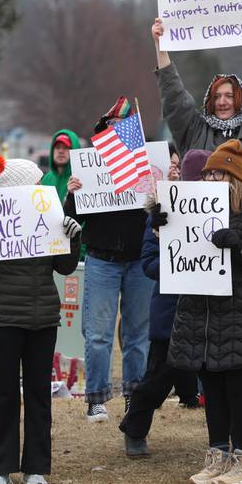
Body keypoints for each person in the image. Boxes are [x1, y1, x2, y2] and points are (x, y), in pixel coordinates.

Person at [0, 156, 82, 484]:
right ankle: (0, 467)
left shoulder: (49, 216)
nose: (40, 189)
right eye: (35, 184)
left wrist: (73, 235)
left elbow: (66, 267)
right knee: (6, 393)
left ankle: (36, 468)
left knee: (39, 394)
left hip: (41, 318)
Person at [165, 140, 242, 484]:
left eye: (218, 173)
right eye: (207, 173)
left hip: (239, 313)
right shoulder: (191, 209)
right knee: (211, 389)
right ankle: (217, 454)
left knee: (237, 389)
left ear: (234, 177)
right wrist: (159, 221)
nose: (210, 178)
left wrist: (237, 246)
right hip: (200, 313)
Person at [64, 98, 153, 422]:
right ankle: (97, 398)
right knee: (98, 333)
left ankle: (135, 397)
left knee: (137, 335)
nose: (118, 132)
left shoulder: (146, 166)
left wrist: (159, 189)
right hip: (101, 257)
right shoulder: (90, 166)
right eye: (112, 126)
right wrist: (72, 195)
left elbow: (159, 216)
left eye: (124, 127)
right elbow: (71, 220)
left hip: (138, 261)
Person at [118, 149, 208, 458]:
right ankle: (135, 429)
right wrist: (162, 239)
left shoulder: (221, 209)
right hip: (171, 310)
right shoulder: (160, 214)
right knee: (158, 377)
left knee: (227, 378)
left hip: (212, 311)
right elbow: (149, 265)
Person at [152, 13, 242, 203]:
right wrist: (160, 46)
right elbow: (174, 97)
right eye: (216, 96)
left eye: (230, 96)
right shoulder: (195, 132)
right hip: (206, 225)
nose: (222, 102)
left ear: (240, 99)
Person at [41, 129, 80, 203]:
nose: (61, 151)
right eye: (57, 147)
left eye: (65, 148)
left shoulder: (80, 179)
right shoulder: (46, 179)